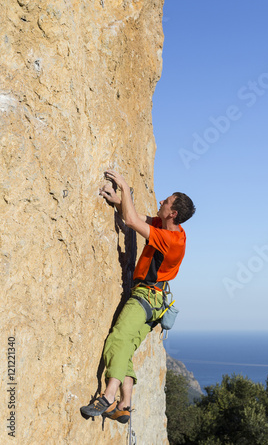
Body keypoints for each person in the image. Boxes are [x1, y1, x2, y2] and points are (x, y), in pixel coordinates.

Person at [80, 169, 195, 423]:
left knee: (118, 339)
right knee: (127, 349)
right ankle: (125, 405)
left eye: (166, 202)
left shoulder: (171, 241)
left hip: (144, 297)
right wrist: (117, 200)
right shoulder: (170, 229)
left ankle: (108, 396)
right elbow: (137, 217)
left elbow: (131, 222)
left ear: (173, 213)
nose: (161, 201)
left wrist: (124, 184)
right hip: (155, 304)